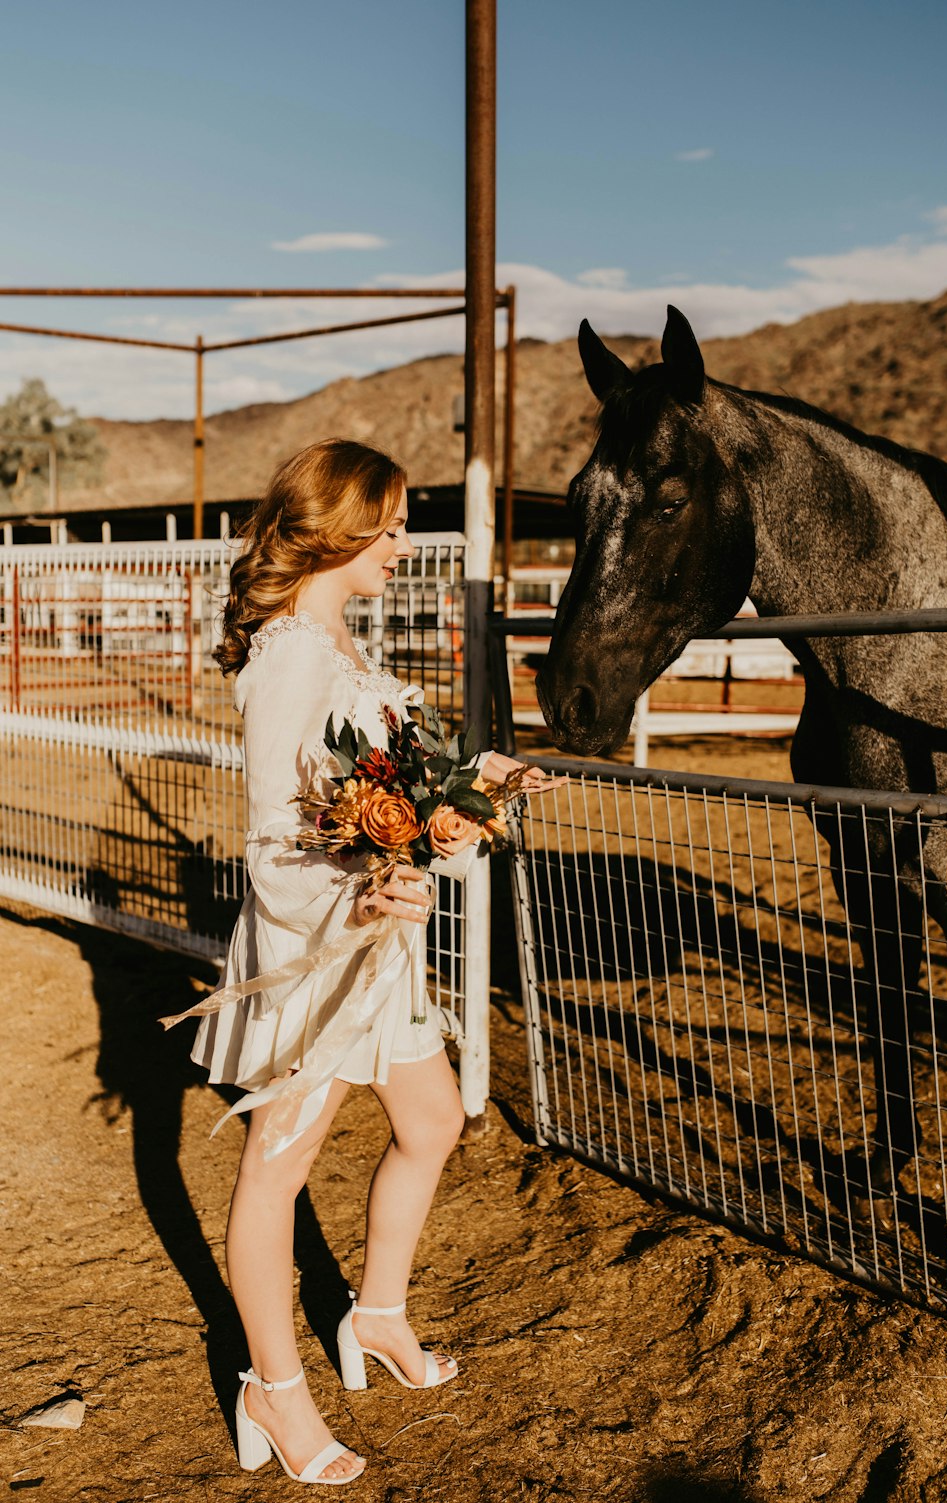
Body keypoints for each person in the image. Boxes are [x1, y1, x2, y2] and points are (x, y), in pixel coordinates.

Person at [164, 438, 552, 1487]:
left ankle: (374, 1315)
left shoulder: (337, 649)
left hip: (377, 949)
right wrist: (373, 885)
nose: (400, 542)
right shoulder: (290, 655)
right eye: (385, 524)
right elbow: (274, 842)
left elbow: (369, 797)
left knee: (432, 1121)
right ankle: (272, 1389)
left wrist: (466, 799)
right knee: (275, 1170)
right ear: (336, 532)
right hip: (317, 956)